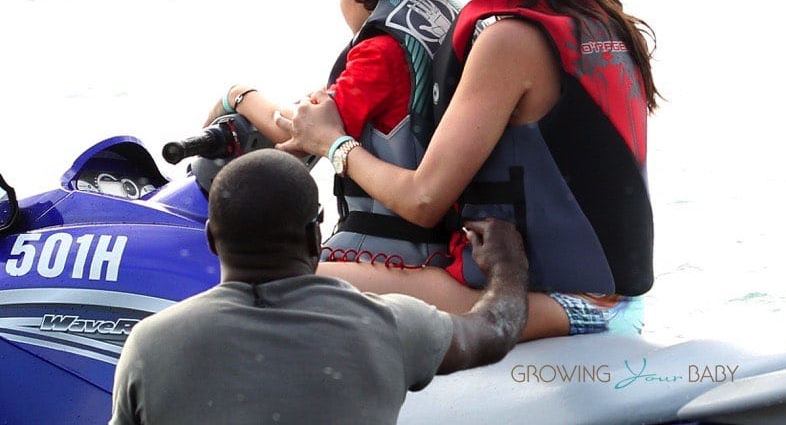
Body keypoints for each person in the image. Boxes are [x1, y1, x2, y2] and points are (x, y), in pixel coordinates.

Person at [276, 0, 660, 342]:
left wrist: (332, 142)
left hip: (560, 303)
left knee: (282, 280)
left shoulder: (509, 42)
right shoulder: (603, 23)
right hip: (613, 295)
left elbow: (423, 200)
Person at [109, 149, 528, 425]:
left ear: (211, 240)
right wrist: (508, 267)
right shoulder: (388, 325)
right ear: (315, 237)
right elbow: (495, 330)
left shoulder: (149, 346)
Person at [204, 0, 460, 267]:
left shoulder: (381, 51)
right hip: (443, 242)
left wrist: (240, 97)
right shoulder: (448, 26)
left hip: (389, 249)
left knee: (271, 286)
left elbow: (302, 128)